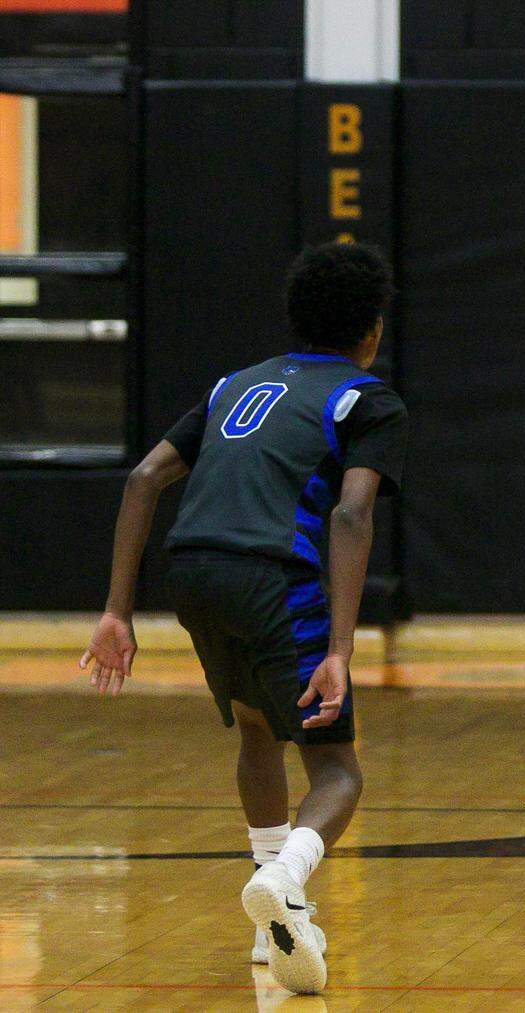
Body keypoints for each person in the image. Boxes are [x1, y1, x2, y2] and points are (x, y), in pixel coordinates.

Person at [79, 241, 408, 992]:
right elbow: (352, 516)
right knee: (338, 770)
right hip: (273, 576)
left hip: (192, 568)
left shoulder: (235, 384)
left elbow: (143, 478)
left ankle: (271, 923)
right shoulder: (367, 398)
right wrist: (341, 649)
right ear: (372, 329)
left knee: (257, 727)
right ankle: (287, 880)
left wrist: (115, 612)